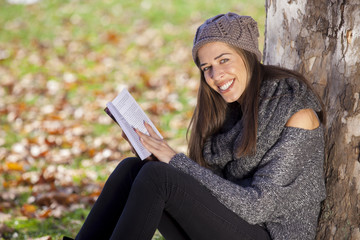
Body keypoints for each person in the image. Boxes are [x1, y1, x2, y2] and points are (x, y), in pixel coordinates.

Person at [71, 12, 326, 240]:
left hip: (270, 233)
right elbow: (210, 188)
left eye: (224, 60)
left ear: (248, 56)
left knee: (158, 177)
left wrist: (173, 160)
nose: (216, 76)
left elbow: (257, 206)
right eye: (207, 68)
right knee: (133, 169)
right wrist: (156, 156)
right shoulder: (227, 109)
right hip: (229, 225)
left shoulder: (297, 114)